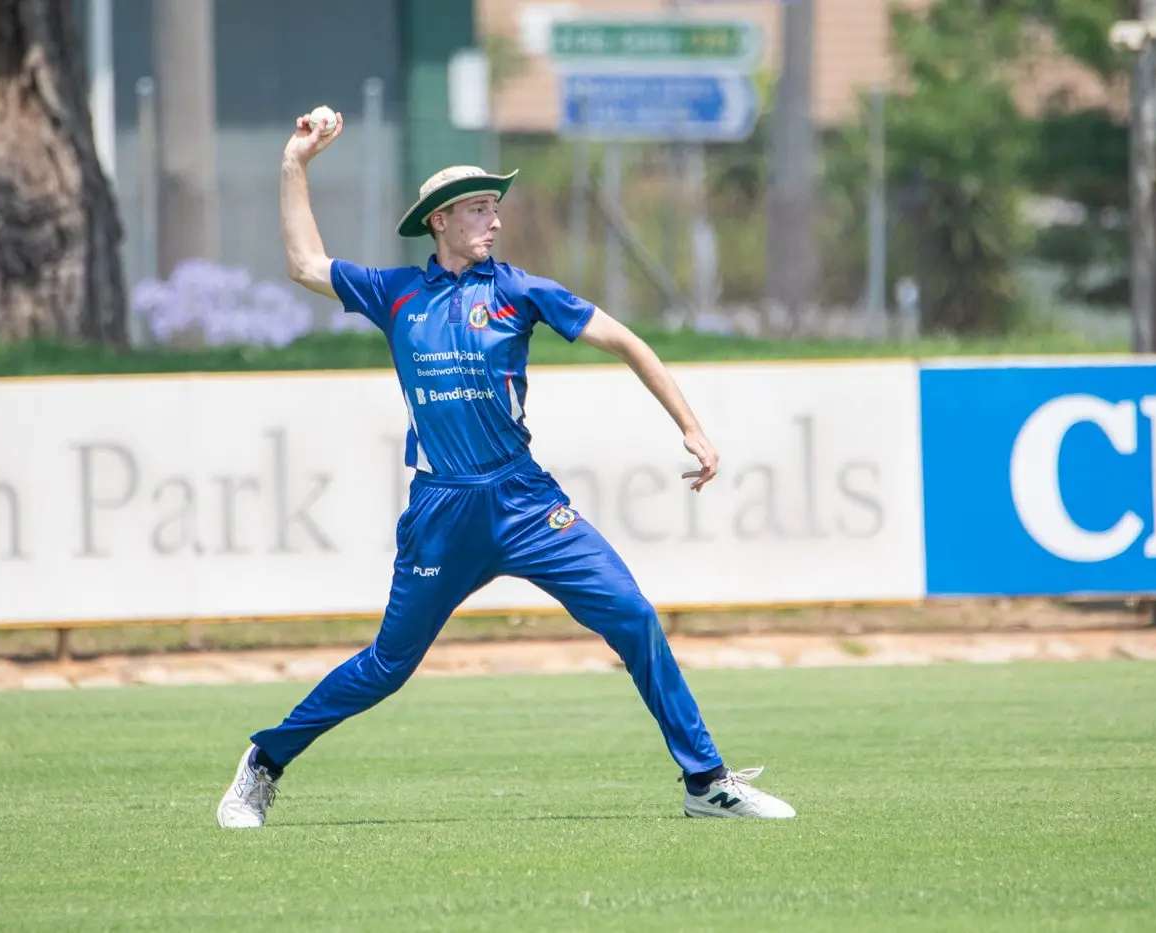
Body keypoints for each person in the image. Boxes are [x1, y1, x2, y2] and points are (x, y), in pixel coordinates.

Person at [216, 109, 796, 828]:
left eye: (495, 207)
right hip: (441, 513)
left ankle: (705, 782)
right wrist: (293, 163)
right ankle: (263, 763)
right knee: (386, 667)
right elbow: (304, 264)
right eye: (478, 209)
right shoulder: (394, 292)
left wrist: (691, 426)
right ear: (439, 221)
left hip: (525, 503)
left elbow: (626, 341)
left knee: (633, 616)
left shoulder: (520, 291)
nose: (493, 220)